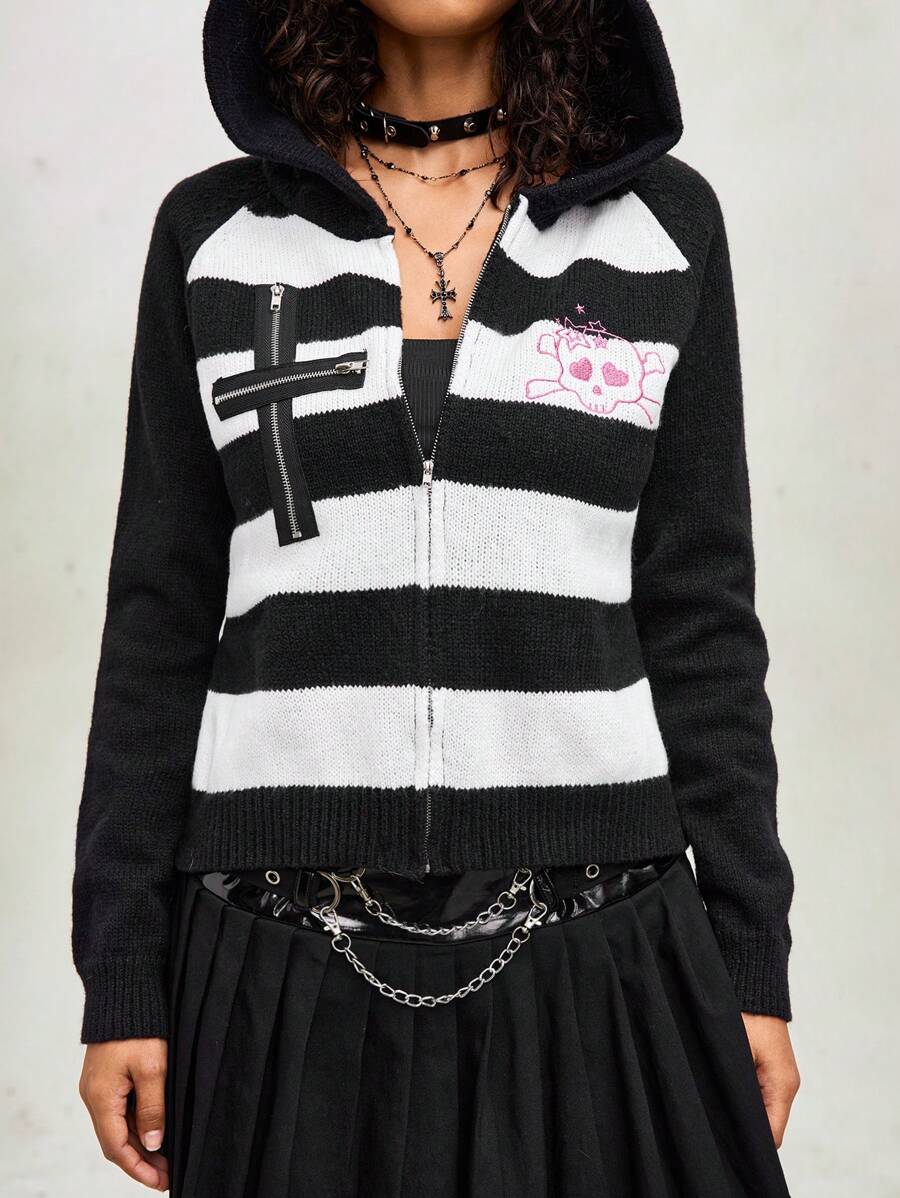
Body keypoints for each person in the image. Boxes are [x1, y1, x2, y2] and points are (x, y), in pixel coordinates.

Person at [73, 0, 800, 1193]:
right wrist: (123, 974)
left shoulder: (664, 231)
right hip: (280, 964)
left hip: (603, 952)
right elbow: (157, 621)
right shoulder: (216, 238)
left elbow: (703, 617)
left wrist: (750, 954)